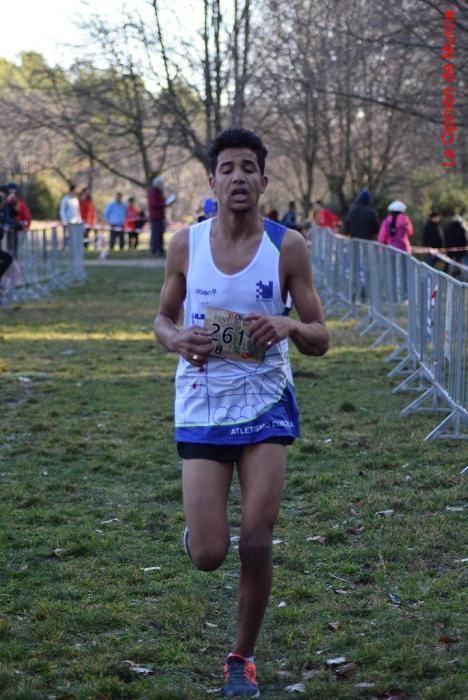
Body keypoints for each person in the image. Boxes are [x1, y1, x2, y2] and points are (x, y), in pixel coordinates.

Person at [154, 128, 329, 698]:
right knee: (210, 554)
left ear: (263, 179)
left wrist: (290, 325)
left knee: (256, 541)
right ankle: (197, 535)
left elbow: (321, 337)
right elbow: (161, 319)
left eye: (248, 168)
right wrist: (177, 339)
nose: (238, 178)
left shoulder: (289, 246)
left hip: (265, 402)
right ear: (211, 182)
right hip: (203, 402)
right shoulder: (185, 244)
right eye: (227, 168)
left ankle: (241, 660)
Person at [147, 176, 167, 256]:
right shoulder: (153, 192)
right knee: (155, 234)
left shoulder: (159, 192)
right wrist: (164, 204)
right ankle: (154, 249)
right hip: (155, 217)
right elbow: (154, 204)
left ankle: (160, 248)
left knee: (160, 233)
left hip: (160, 216)